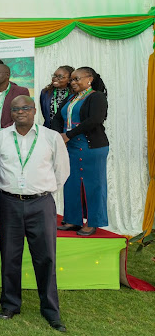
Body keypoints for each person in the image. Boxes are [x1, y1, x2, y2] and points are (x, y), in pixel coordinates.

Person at [0, 96, 69, 332]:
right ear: (10, 113)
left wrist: (41, 190)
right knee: (10, 256)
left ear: (35, 111)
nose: (20, 112)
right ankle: (10, 304)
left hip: (41, 203)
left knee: (45, 258)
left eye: (25, 108)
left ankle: (50, 310)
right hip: (9, 203)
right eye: (15, 109)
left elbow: (62, 171)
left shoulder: (51, 137)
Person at [52, 67, 109, 236]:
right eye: (72, 80)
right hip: (71, 146)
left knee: (94, 185)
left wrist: (68, 135)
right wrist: (57, 135)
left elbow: (95, 120)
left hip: (91, 147)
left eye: (77, 79)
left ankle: (93, 222)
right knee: (72, 183)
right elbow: (57, 117)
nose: (73, 82)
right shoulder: (72, 97)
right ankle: (73, 220)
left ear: (89, 79)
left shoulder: (96, 96)